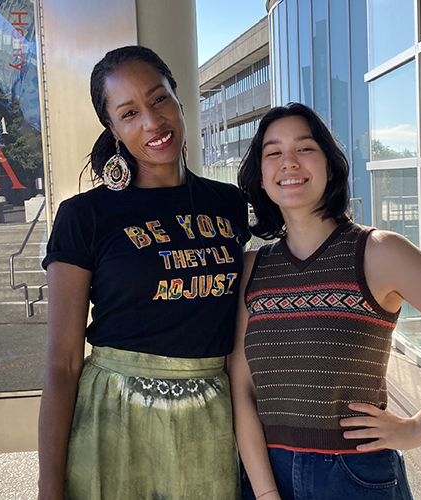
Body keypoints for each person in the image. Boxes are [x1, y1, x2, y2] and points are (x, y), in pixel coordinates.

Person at [228, 102, 421, 500]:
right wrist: (264, 493)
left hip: (356, 476)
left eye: (305, 148)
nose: (289, 162)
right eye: (273, 153)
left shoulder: (380, 253)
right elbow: (241, 388)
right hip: (266, 474)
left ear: (330, 165)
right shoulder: (252, 268)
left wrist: (417, 429)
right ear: (260, 177)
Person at [37, 45, 250, 500]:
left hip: (209, 418)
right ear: (112, 129)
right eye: (129, 113)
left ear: (177, 98)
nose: (152, 122)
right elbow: (63, 362)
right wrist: (49, 484)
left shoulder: (228, 203)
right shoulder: (85, 216)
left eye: (158, 100)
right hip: (113, 416)